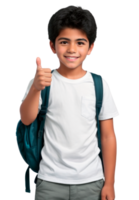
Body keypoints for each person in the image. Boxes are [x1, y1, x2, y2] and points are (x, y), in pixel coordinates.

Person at [20, 5, 119, 200]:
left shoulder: (99, 85)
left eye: (80, 42)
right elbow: (25, 118)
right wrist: (35, 88)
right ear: (52, 46)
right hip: (50, 181)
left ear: (91, 47)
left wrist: (110, 183)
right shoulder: (43, 81)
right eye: (64, 42)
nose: (72, 49)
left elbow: (108, 137)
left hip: (92, 182)